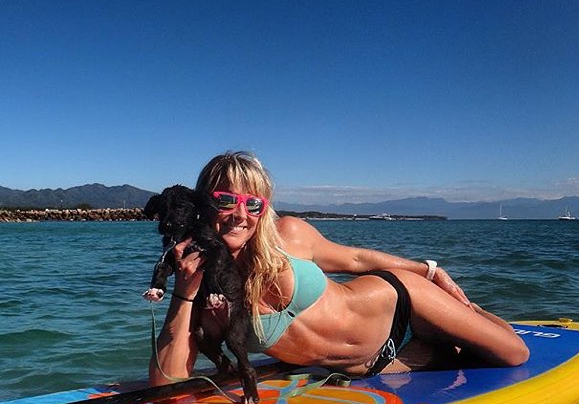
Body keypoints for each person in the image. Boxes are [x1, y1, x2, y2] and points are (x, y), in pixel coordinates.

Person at [149, 151, 529, 386]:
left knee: (514, 354)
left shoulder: (289, 235)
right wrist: (184, 291)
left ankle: (472, 314)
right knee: (458, 358)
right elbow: (167, 381)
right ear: (204, 203)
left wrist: (430, 270)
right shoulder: (200, 286)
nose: (240, 215)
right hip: (377, 365)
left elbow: (357, 260)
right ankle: (450, 339)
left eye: (253, 204)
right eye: (226, 199)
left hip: (403, 305)